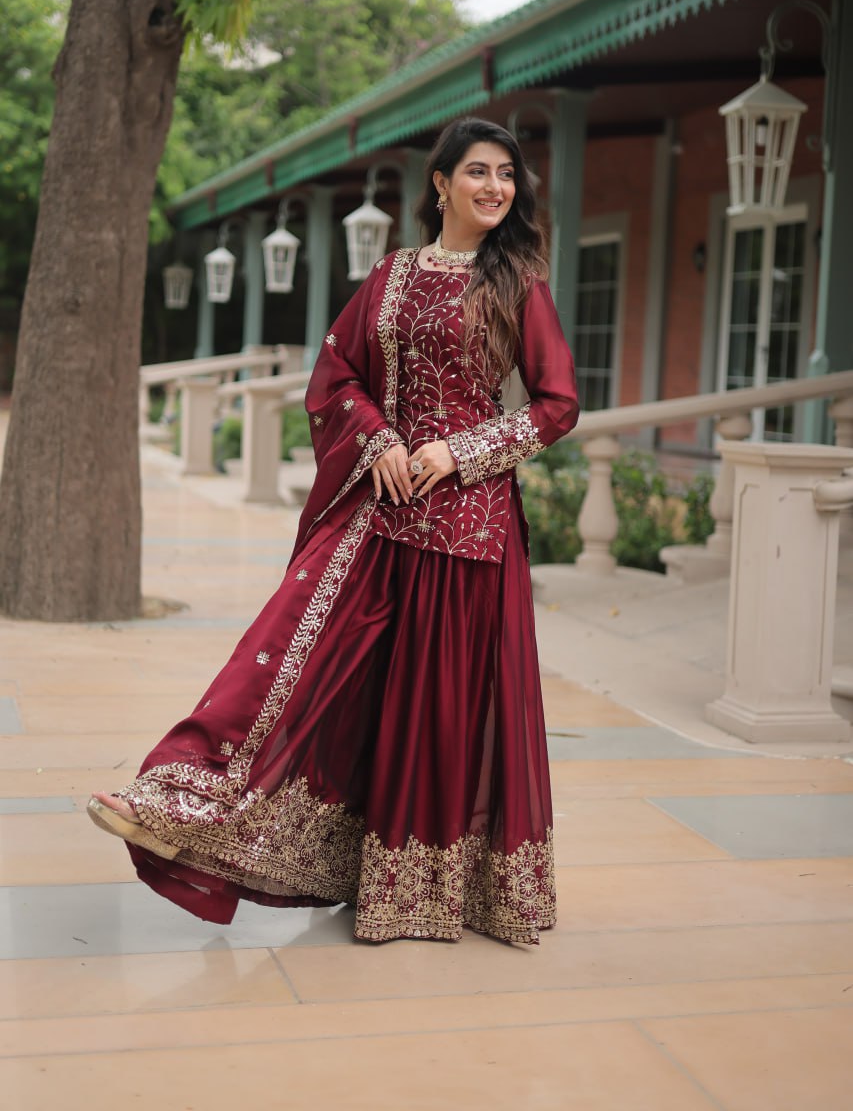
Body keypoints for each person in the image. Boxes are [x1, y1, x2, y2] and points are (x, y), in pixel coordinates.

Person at [88, 116, 579, 945]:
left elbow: (556, 404)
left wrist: (459, 452)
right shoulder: (389, 277)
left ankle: (423, 888)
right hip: (378, 515)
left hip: (468, 529)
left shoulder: (518, 282)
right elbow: (337, 372)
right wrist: (380, 439)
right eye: (477, 173)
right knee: (305, 663)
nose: (495, 188)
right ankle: (190, 803)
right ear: (440, 183)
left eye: (507, 175)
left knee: (440, 704)